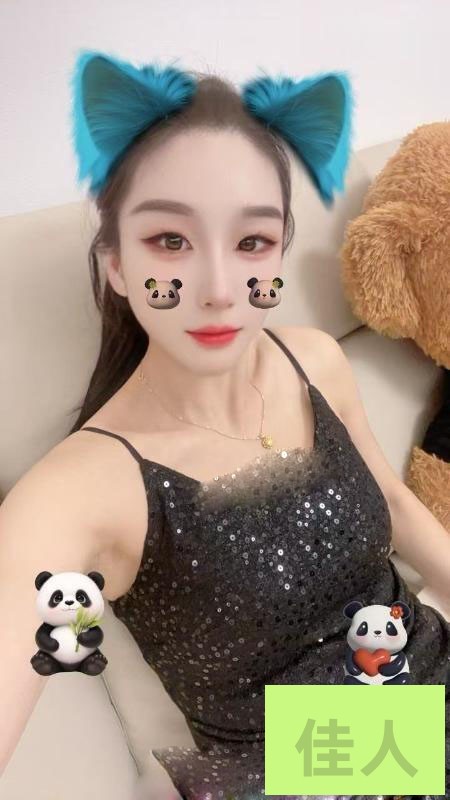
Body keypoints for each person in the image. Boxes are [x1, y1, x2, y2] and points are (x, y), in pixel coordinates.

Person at [0, 49, 448, 800]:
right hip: (312, 770)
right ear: (115, 263)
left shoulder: (314, 359)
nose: (218, 289)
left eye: (251, 242)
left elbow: (397, 505)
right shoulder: (77, 491)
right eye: (171, 240)